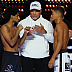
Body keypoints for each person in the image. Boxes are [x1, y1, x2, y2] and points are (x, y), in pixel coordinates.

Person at [17, 1, 54, 72]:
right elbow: (18, 43)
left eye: (37, 11)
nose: (34, 13)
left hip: (43, 57)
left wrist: (44, 32)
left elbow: (52, 40)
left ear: (41, 11)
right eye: (32, 11)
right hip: (26, 56)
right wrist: (25, 34)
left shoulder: (47, 23)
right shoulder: (22, 23)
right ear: (29, 11)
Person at [0, 7, 29, 72]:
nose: (19, 18)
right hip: (8, 56)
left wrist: (25, 33)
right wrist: (18, 30)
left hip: (17, 56)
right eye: (17, 16)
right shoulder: (4, 27)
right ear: (11, 16)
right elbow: (11, 43)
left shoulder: (15, 28)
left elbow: (19, 44)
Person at [48, 7, 71, 72]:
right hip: (62, 54)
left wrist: (53, 58)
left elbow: (60, 43)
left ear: (58, 14)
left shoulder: (59, 25)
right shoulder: (63, 25)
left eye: (52, 14)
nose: (51, 16)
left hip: (61, 55)